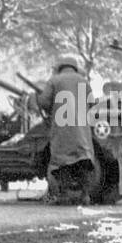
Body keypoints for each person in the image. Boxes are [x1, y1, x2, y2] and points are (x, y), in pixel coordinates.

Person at [35, 55, 95, 204]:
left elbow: (43, 102)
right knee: (83, 162)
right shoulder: (84, 81)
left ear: (60, 67)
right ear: (74, 67)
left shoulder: (54, 80)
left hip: (62, 132)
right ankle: (84, 196)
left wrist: (37, 97)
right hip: (82, 133)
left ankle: (61, 196)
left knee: (59, 165)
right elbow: (92, 103)